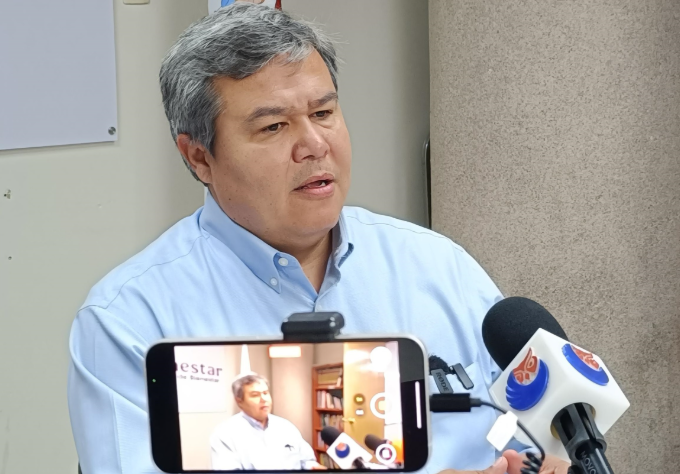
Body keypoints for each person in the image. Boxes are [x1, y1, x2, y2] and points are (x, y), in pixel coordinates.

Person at [67, 4, 569, 474]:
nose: (313, 144)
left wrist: (546, 459)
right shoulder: (130, 320)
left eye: (324, 113)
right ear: (199, 156)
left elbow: (535, 434)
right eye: (274, 126)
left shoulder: (437, 265)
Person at [210, 374, 323, 470]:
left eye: (265, 393)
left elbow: (306, 461)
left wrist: (313, 467)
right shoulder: (225, 434)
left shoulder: (286, 426)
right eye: (255, 395)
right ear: (239, 401)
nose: (264, 399)